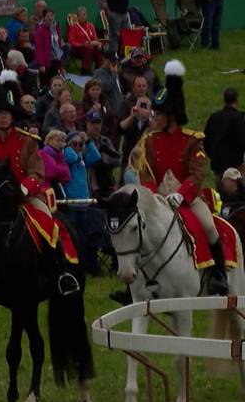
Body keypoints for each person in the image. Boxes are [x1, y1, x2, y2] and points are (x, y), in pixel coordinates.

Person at [0, 72, 80, 306]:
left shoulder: (28, 141)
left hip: (27, 198)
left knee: (49, 226)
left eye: (6, 113)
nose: (2, 118)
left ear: (12, 116)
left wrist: (22, 190)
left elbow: (37, 173)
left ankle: (61, 274)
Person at [133, 60, 227, 295]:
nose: (156, 118)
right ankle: (132, 283)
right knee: (135, 231)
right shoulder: (151, 140)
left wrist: (181, 194)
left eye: (160, 114)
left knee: (208, 227)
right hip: (158, 200)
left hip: (188, 198)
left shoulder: (192, 139)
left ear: (172, 115)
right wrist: (153, 197)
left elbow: (197, 174)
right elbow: (146, 172)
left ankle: (219, 276)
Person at [62, 130, 102, 273]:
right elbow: (70, 157)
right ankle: (74, 264)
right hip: (72, 202)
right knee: (73, 235)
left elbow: (97, 157)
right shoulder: (68, 156)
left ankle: (87, 264)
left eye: (80, 144)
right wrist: (69, 146)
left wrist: (89, 142)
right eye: (75, 144)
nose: (78, 147)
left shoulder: (82, 157)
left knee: (85, 235)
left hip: (84, 203)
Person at [204, 88, 245, 176]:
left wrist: (214, 156)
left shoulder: (214, 117)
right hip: (235, 165)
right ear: (237, 101)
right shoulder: (240, 118)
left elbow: (206, 140)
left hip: (217, 165)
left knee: (220, 189)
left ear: (224, 100)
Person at [67, 6, 105, 74]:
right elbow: (71, 42)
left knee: (98, 48)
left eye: (84, 15)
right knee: (89, 48)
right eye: (80, 15)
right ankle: (85, 70)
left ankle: (98, 70)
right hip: (77, 49)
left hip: (90, 47)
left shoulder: (90, 25)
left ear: (87, 15)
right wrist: (83, 44)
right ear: (77, 17)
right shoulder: (73, 27)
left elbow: (95, 38)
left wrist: (98, 44)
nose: (82, 17)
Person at [34, 9, 68, 81]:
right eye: (48, 16)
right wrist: (41, 64)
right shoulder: (40, 30)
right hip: (46, 61)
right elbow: (38, 48)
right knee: (46, 82)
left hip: (56, 59)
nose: (50, 18)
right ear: (43, 17)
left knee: (54, 81)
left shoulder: (56, 28)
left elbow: (58, 46)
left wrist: (61, 65)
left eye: (52, 15)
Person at [93, 51, 124, 117]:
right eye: (112, 60)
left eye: (116, 61)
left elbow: (119, 89)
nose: (114, 63)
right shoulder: (99, 73)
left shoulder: (114, 72)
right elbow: (105, 88)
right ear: (105, 60)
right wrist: (114, 75)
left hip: (120, 109)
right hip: (110, 111)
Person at [40, 130, 71, 196]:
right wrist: (61, 169)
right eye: (57, 140)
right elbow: (52, 171)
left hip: (56, 189)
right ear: (49, 140)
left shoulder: (60, 156)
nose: (60, 143)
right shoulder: (43, 153)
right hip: (45, 190)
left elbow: (67, 176)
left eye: (62, 141)